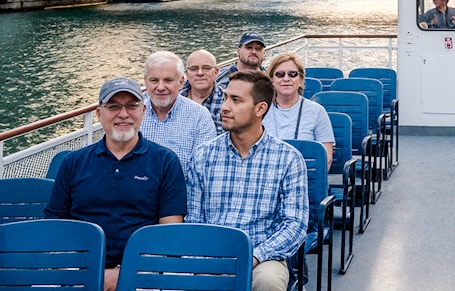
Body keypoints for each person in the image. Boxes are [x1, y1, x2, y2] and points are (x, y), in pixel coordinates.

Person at [46, 78, 187, 291]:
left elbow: (169, 233)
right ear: (99, 113)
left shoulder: (165, 161)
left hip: (143, 271)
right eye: (113, 107)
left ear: (143, 111)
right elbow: (56, 225)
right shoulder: (73, 163)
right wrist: (85, 271)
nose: (123, 114)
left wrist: (123, 272)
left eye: (131, 106)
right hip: (78, 270)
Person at [186, 69, 308, 291]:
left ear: (260, 109)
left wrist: (254, 255)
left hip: (263, 255)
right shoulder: (203, 155)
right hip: (212, 251)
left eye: (236, 100)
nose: (224, 107)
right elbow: (194, 218)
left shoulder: (288, 159)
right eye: (225, 98)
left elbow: (295, 224)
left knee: (268, 282)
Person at [139, 51, 218, 179]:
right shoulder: (132, 112)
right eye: (154, 80)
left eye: (168, 80)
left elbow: (202, 172)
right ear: (145, 81)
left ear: (181, 82)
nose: (160, 87)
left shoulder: (199, 116)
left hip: (180, 195)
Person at [262, 52, 335, 165]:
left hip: (306, 176)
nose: (286, 79)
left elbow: (326, 159)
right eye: (280, 74)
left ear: (300, 80)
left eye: (292, 74)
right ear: (272, 80)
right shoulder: (260, 110)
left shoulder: (317, 111)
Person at [180, 48, 224, 129]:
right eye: (194, 68)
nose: (200, 73)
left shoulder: (227, 102)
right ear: (187, 73)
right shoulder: (174, 99)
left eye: (206, 68)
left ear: (216, 72)